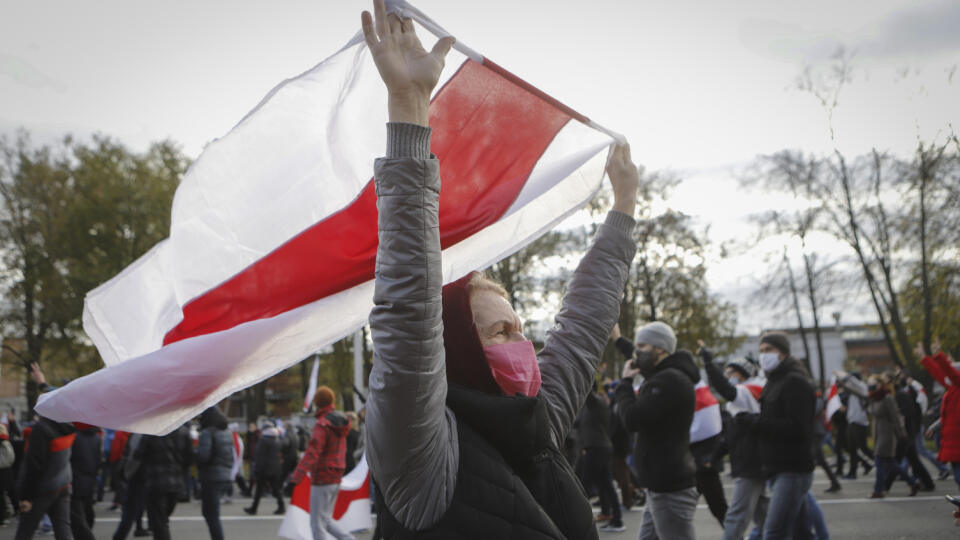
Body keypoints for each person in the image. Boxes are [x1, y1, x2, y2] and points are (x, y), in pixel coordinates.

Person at [360, 0, 640, 537]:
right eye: (499, 331)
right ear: (457, 346)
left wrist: (622, 210)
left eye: (518, 329)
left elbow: (583, 327)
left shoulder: (538, 422)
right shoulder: (418, 450)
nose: (522, 344)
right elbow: (409, 306)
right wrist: (410, 107)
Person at [614, 322, 699, 540]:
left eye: (642, 345)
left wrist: (624, 383)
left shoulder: (668, 380)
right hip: (660, 485)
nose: (637, 352)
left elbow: (632, 419)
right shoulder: (666, 376)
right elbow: (642, 361)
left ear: (660, 348)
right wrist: (617, 339)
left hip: (669, 487)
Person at [738, 332, 816, 540]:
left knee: (774, 532)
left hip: (792, 468)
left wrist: (755, 423)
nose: (764, 355)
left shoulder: (795, 382)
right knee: (800, 532)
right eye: (761, 351)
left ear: (782, 353)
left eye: (769, 350)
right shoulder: (774, 382)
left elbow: (799, 428)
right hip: (777, 466)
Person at [700, 344, 769, 540]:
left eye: (730, 372)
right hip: (747, 461)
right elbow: (731, 436)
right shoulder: (738, 401)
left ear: (741, 374)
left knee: (736, 516)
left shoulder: (750, 390)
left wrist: (708, 362)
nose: (727, 376)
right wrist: (713, 458)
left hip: (752, 462)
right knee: (763, 513)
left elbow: (724, 388)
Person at [288, 386, 356, 540]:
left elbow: (312, 453)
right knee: (325, 520)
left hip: (322, 477)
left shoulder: (322, 424)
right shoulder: (342, 422)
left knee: (317, 524)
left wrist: (295, 478)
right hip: (336, 475)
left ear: (317, 403)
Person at [577, 383, 625, 532]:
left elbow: (585, 389)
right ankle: (614, 519)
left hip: (597, 449)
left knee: (584, 486)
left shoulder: (596, 402)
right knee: (605, 485)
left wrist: (581, 375)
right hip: (598, 448)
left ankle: (580, 525)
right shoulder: (589, 407)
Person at [136, 424, 192, 540]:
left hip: (155, 481)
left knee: (160, 522)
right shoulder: (184, 431)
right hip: (176, 482)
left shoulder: (150, 430)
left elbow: (138, 455)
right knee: (163, 519)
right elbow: (189, 457)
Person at [918, 339, 960, 490]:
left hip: (956, 441)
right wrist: (925, 357)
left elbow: (946, 371)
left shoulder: (957, 385)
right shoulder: (952, 389)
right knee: (957, 476)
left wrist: (938, 355)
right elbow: (939, 373)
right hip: (953, 441)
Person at [196, 407, 234, 540]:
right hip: (224, 475)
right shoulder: (227, 432)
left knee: (211, 515)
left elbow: (203, 457)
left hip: (211, 476)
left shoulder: (207, 433)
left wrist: (193, 454)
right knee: (212, 514)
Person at [70, 423, 102, 540]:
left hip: (75, 480)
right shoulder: (97, 437)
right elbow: (98, 461)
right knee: (87, 515)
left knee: (78, 520)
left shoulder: (74, 436)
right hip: (90, 481)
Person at [244, 423, 285, 516]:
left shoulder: (263, 440)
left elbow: (259, 456)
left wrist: (256, 469)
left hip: (264, 469)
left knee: (259, 490)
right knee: (275, 489)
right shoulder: (277, 439)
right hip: (275, 468)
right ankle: (281, 506)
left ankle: (253, 509)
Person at [840, 372, 874, 479]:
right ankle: (852, 472)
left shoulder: (862, 387)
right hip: (852, 421)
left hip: (860, 422)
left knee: (863, 448)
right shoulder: (852, 391)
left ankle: (883, 464)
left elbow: (854, 382)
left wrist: (845, 376)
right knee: (852, 448)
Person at [0, 423, 15, 527]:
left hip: (3, 472)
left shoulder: (3, 442)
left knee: (2, 495)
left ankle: (4, 516)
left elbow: (9, 458)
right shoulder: (6, 441)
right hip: (5, 471)